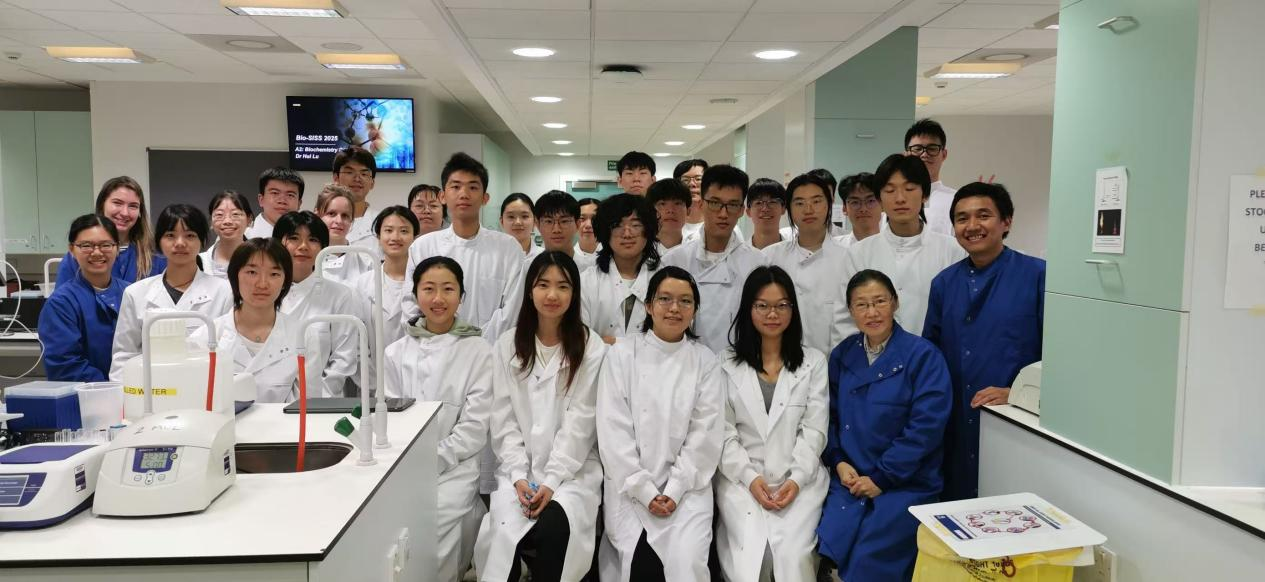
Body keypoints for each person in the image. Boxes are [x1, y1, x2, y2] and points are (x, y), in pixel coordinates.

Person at [477, 251, 606, 582]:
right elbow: (503, 420)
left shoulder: (591, 347)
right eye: (543, 284)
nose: (552, 295)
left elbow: (582, 423)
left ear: (574, 293)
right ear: (530, 291)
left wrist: (551, 480)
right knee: (502, 538)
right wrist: (519, 476)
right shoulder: (507, 345)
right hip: (517, 473)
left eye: (563, 286)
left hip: (572, 474)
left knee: (554, 530)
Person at [817, 270, 952, 582]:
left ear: (895, 303)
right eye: (862, 305)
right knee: (826, 543)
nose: (872, 312)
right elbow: (828, 416)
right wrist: (838, 461)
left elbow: (925, 429)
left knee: (869, 561)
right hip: (850, 479)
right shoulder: (843, 355)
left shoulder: (924, 357)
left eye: (880, 301)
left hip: (905, 482)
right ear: (851, 311)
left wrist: (883, 477)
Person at [596, 267, 723, 582]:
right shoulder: (622, 354)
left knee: (686, 563)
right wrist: (643, 489)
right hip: (629, 486)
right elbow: (613, 430)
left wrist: (675, 489)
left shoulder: (705, 361)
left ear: (695, 310)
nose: (674, 308)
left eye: (685, 301)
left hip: (688, 491)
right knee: (639, 567)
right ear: (649, 306)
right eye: (665, 299)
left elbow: (705, 435)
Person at [923, 182, 1045, 501]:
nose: (972, 225)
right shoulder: (944, 284)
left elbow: (1059, 355)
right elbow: (931, 357)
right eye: (962, 218)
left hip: (1015, 418)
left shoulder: (1038, 276)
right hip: (955, 421)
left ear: (1006, 222)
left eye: (984, 215)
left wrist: (1016, 393)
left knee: (1009, 504)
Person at [715, 266, 828, 582]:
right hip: (742, 480)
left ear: (793, 309)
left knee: (793, 557)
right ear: (748, 309)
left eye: (782, 305)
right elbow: (723, 433)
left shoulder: (814, 362)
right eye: (762, 305)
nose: (773, 314)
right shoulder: (725, 363)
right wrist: (750, 478)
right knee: (751, 562)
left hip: (799, 480)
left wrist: (797, 479)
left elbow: (815, 431)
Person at [384, 256, 493, 582]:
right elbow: (391, 418)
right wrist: (412, 462)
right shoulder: (396, 353)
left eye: (448, 289)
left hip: (457, 468)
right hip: (403, 465)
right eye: (429, 289)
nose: (438, 298)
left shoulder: (479, 351)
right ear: (415, 294)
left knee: (439, 525)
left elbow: (474, 427)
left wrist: (433, 459)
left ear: (461, 295)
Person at [830, 154, 965, 344]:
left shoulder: (953, 251)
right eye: (890, 190)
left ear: (925, 195)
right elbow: (845, 321)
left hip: (935, 358)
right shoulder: (858, 253)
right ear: (880, 199)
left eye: (909, 189)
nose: (900, 198)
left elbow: (960, 317)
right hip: (873, 358)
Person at [109, 204, 233, 380]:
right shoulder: (135, 293)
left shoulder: (225, 292)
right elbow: (124, 356)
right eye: (170, 235)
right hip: (152, 390)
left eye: (190, 235)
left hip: (204, 389)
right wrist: (126, 394)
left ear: (202, 241)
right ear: (159, 241)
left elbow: (228, 354)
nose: (180, 243)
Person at [403, 152, 524, 329]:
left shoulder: (508, 248)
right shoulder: (423, 247)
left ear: (485, 198)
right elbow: (411, 306)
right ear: (442, 196)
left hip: (491, 345)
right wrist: (441, 341)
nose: (464, 194)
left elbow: (512, 311)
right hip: (434, 344)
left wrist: (475, 343)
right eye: (456, 186)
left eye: (473, 187)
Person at [191, 238, 314, 403]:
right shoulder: (205, 337)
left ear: (285, 281)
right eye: (252, 272)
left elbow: (306, 404)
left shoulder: (304, 336)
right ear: (235, 276)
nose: (262, 284)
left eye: (274, 274)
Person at [662, 164, 768, 354]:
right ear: (701, 204)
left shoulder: (757, 263)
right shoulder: (675, 260)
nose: (723, 213)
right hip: (685, 361)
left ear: (742, 210)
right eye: (715, 203)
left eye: (732, 205)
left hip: (741, 362)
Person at [273, 211, 370, 398]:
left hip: (321, 401)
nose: (303, 246)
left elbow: (344, 358)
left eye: (312, 240)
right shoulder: (264, 292)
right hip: (269, 402)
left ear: (323, 247)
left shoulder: (340, 295)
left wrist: (318, 399)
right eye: (294, 238)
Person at [483, 191, 592, 342]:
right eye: (548, 221)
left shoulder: (590, 270)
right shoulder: (527, 269)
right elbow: (512, 316)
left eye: (564, 221)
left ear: (577, 224)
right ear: (537, 224)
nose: (556, 229)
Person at [762, 173, 848, 355]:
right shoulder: (770, 257)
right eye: (799, 203)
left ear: (829, 204)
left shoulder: (848, 257)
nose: (808, 209)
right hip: (780, 360)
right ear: (789, 209)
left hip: (835, 362)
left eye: (816, 201)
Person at [39, 214, 128, 382]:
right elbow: (64, 365)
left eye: (106, 245)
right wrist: (110, 389)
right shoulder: (61, 303)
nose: (97, 252)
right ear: (72, 250)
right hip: (87, 395)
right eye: (86, 245)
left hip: (135, 391)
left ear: (117, 248)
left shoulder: (132, 293)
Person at [579, 194, 661, 344]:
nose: (627, 234)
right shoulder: (586, 282)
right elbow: (580, 340)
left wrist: (614, 343)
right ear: (605, 232)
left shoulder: (665, 280)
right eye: (617, 225)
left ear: (648, 230)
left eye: (636, 225)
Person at [55, 176, 165, 285]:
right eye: (117, 203)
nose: (125, 213)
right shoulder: (78, 256)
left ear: (140, 212)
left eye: (133, 206)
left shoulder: (156, 257)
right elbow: (63, 295)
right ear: (102, 204)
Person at [353, 205, 420, 348]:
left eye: (404, 231)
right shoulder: (364, 282)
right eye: (388, 230)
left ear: (414, 237)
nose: (395, 237)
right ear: (378, 236)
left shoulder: (424, 281)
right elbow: (358, 335)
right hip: (374, 361)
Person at [316, 183, 375, 283]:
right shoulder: (305, 258)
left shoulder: (367, 264)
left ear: (352, 220)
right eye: (331, 213)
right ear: (317, 216)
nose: (339, 221)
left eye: (345, 216)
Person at [906, 118, 955, 237]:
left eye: (932, 149)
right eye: (917, 149)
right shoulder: (893, 199)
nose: (924, 154)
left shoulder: (957, 199)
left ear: (944, 155)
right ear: (907, 154)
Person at [332, 147, 381, 253]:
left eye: (364, 174)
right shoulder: (322, 220)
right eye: (349, 172)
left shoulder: (382, 222)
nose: (357, 179)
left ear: (372, 183)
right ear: (336, 178)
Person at [201, 190, 254, 279]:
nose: (227, 221)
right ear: (211, 222)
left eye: (235, 214)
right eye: (219, 215)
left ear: (249, 220)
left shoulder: (263, 260)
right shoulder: (197, 263)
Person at [244, 167, 304, 239]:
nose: (282, 201)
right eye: (275, 193)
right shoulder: (244, 238)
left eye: (290, 195)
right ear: (261, 200)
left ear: (299, 204)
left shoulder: (309, 240)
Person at [835, 173, 881, 248]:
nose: (863, 209)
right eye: (855, 202)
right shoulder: (833, 247)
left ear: (882, 205)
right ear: (844, 208)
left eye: (871, 201)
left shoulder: (896, 247)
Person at [647, 178, 691, 251]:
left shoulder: (697, 249)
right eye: (662, 204)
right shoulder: (639, 251)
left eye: (677, 203)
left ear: (688, 211)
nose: (670, 210)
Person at [746, 178, 786, 251]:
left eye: (772, 202)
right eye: (758, 203)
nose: (765, 209)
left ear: (783, 209)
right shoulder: (738, 255)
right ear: (748, 212)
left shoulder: (795, 254)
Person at [674, 159, 707, 242]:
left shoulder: (720, 226)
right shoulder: (666, 225)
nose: (692, 184)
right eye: (685, 180)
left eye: (698, 179)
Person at [501, 192, 542, 258]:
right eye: (511, 216)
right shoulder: (492, 257)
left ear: (534, 221)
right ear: (502, 222)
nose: (518, 222)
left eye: (524, 216)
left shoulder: (546, 257)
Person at [575, 197, 600, 264]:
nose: (589, 225)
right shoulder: (568, 258)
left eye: (594, 219)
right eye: (582, 218)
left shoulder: (615, 256)